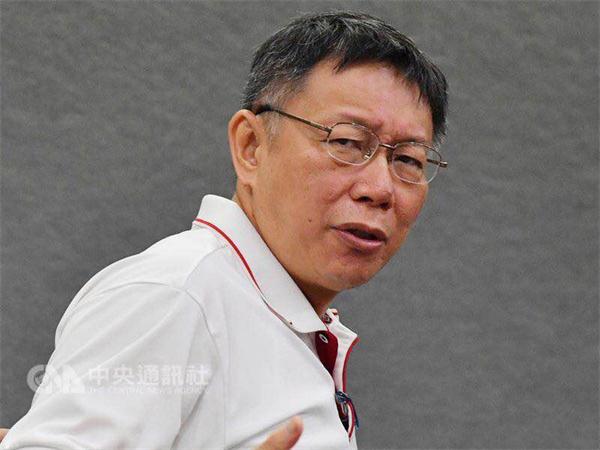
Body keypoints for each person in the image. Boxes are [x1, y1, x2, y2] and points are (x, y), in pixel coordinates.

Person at [0, 10, 448, 449]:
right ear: (251, 146)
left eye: (408, 159)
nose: (379, 188)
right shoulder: (175, 295)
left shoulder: (276, 314)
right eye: (346, 142)